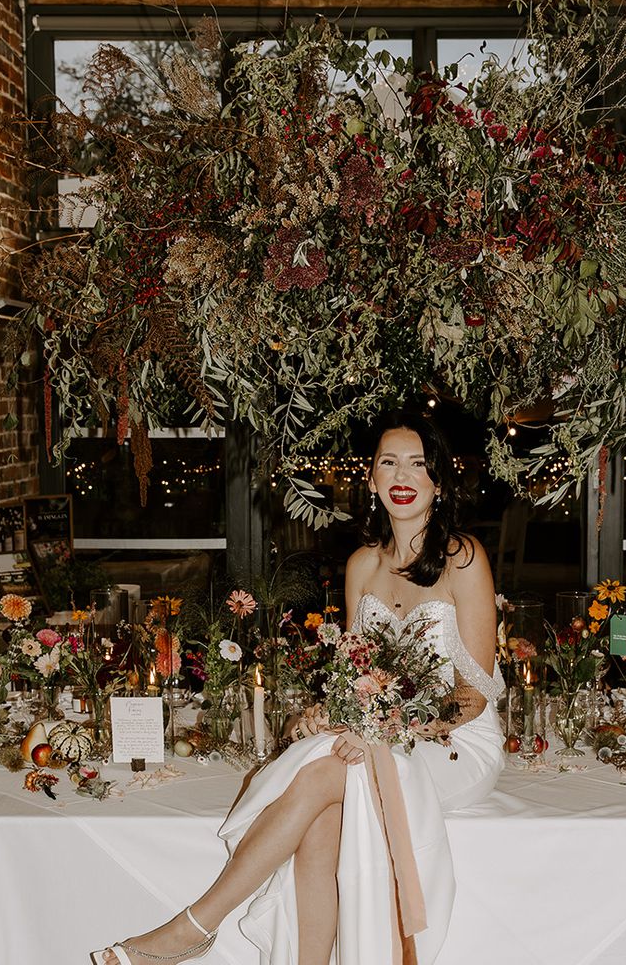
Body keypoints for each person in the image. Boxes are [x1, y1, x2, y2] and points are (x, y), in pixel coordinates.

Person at [93, 410, 505, 965]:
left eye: (417, 463)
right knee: (328, 808)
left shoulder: (463, 558)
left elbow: (472, 694)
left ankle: (195, 926)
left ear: (438, 479)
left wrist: (388, 728)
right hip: (380, 735)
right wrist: (328, 713)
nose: (402, 476)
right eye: (389, 462)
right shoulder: (362, 565)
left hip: (455, 744)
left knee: (336, 769)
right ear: (372, 476)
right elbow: (360, 671)